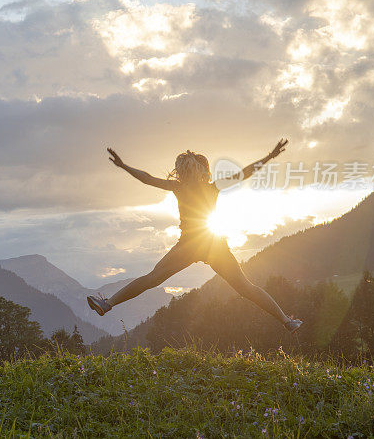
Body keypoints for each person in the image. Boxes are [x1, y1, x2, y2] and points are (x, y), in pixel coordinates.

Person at [87, 139, 303, 333]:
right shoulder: (212, 187)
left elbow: (147, 179)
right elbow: (244, 173)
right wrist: (269, 157)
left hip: (191, 244)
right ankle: (286, 321)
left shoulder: (178, 187)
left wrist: (124, 166)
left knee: (152, 278)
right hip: (212, 244)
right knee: (246, 287)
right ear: (202, 172)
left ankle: (108, 304)